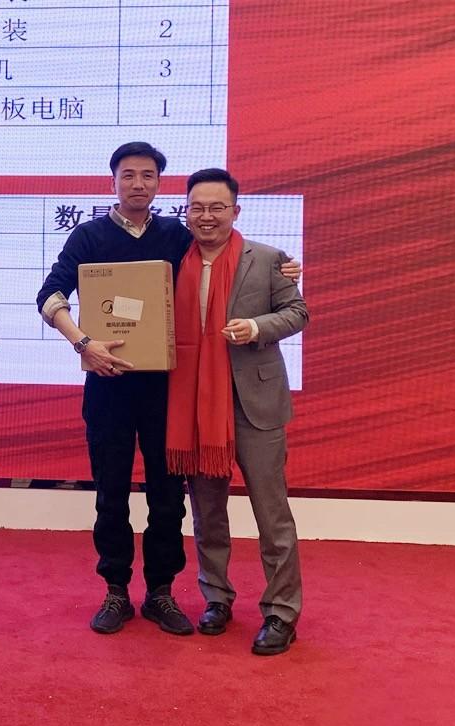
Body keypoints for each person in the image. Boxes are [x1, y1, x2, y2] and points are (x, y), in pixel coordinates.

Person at [36, 143, 301, 636]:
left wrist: (283, 268)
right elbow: (49, 294)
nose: (138, 184)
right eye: (128, 175)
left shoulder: (177, 237)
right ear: (113, 181)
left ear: (160, 184)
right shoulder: (88, 235)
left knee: (168, 498)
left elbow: (228, 258)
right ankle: (116, 591)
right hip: (108, 388)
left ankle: (161, 592)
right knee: (110, 496)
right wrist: (83, 343)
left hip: (170, 393)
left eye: (148, 175)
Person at [166, 168, 307, 655]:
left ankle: (281, 611)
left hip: (254, 404)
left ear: (235, 211)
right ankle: (216, 598)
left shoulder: (267, 259)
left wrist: (257, 327)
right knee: (207, 513)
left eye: (217, 207)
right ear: (186, 212)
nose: (206, 216)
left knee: (272, 514)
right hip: (194, 405)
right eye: (197, 207)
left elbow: (298, 312)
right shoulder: (171, 261)